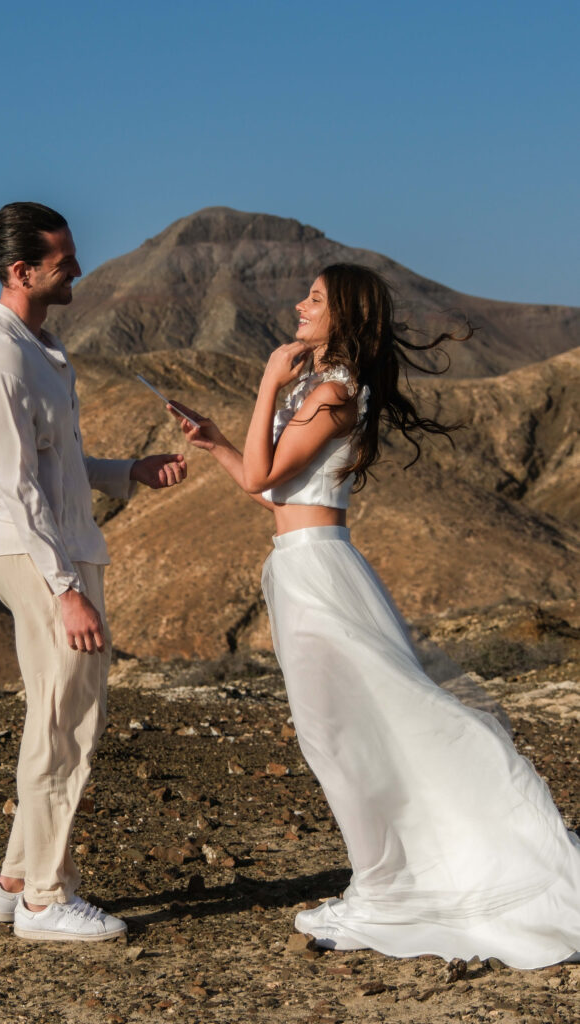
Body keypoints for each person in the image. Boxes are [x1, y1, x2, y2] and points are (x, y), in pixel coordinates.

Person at [171, 263, 580, 968]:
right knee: (337, 738)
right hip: (299, 563)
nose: (300, 306)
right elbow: (264, 490)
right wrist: (212, 442)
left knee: (350, 736)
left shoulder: (329, 392)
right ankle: (386, 882)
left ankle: (391, 891)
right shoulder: (321, 388)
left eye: (315, 299)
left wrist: (268, 378)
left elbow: (270, 477)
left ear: (346, 316)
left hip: (318, 572)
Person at [0, 202, 187, 942]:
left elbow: (53, 466)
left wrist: (126, 472)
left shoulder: (36, 346)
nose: (79, 269)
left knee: (52, 722)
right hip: (40, 556)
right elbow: (19, 489)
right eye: (64, 261)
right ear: (21, 271)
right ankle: (46, 903)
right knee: (67, 729)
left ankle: (16, 879)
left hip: (59, 547)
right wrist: (65, 593)